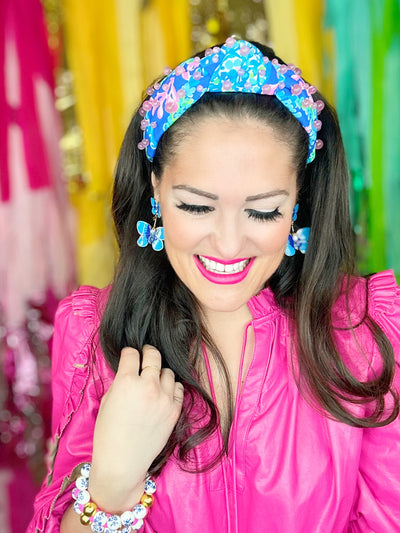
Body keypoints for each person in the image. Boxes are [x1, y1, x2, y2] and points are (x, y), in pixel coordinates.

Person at [28, 37, 400, 533]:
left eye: (262, 210)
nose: (227, 244)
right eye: (197, 206)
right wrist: (112, 484)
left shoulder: (367, 329)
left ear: (298, 203)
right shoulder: (93, 337)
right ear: (156, 189)